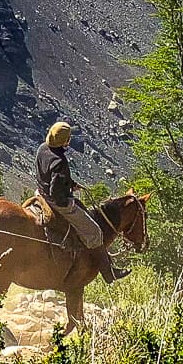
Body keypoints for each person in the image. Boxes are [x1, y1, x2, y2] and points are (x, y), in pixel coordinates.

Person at [36, 120, 121, 283]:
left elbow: (50, 175)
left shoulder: (43, 148)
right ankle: (109, 273)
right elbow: (56, 189)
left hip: (40, 192)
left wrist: (70, 183)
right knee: (95, 232)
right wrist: (67, 201)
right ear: (65, 140)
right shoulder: (60, 161)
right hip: (55, 200)